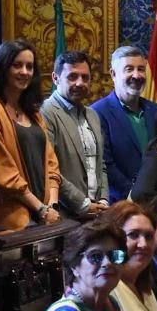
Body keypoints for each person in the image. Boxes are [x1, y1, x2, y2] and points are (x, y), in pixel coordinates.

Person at [0, 39, 62, 231]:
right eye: (17, 65)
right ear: (3, 68)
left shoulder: (35, 114)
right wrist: (40, 208)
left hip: (46, 215)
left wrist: (52, 205)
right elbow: (2, 170)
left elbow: (51, 163)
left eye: (29, 67)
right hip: (11, 217)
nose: (24, 72)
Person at [43, 50, 110, 218]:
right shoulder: (45, 113)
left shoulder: (92, 115)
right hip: (63, 215)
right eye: (72, 77)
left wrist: (103, 200)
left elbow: (100, 164)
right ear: (55, 78)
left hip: (96, 213)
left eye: (85, 77)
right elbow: (48, 168)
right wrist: (82, 204)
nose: (80, 83)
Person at [92, 45, 157, 203]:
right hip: (119, 203)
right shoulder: (97, 112)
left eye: (141, 69)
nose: (136, 75)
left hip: (155, 200)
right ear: (113, 74)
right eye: (129, 69)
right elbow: (105, 163)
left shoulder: (156, 111)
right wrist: (134, 193)